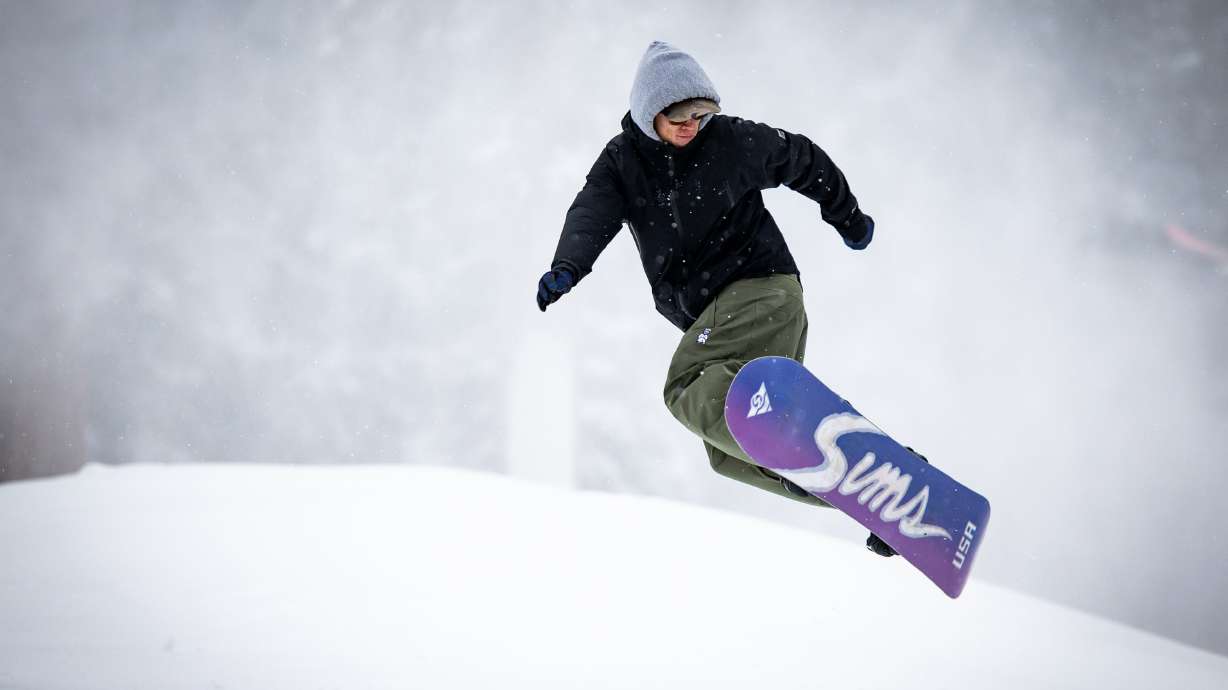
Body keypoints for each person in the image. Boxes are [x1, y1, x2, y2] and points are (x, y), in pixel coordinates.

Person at [537, 41, 897, 557]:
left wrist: (847, 216)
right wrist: (567, 266)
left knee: (686, 382)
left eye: (702, 113)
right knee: (732, 455)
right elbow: (592, 212)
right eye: (678, 114)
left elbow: (801, 157)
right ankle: (875, 498)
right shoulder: (623, 162)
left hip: (759, 290)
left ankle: (830, 454)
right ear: (648, 111)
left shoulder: (730, 142)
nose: (691, 125)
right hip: (721, 315)